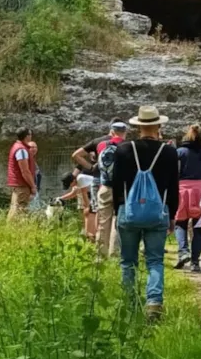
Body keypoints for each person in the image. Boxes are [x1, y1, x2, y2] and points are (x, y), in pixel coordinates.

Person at [110, 105, 180, 319]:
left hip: (128, 211)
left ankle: (129, 302)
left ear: (138, 126)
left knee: (128, 260)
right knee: (155, 260)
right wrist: (172, 215)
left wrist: (116, 211)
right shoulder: (169, 151)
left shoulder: (123, 149)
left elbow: (116, 183)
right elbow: (174, 188)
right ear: (158, 125)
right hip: (158, 212)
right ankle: (154, 303)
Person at [175, 124, 201, 271]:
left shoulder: (180, 152)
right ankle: (195, 262)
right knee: (198, 226)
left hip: (183, 188)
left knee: (180, 222)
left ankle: (183, 252)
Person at [94, 122, 127, 254]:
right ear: (125, 132)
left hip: (105, 187)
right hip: (122, 189)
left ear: (111, 132)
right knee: (118, 221)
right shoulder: (128, 146)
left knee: (103, 221)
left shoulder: (102, 145)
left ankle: (100, 254)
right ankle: (114, 253)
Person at [57, 169, 98, 240]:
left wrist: (88, 208)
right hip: (92, 196)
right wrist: (60, 198)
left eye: (69, 184)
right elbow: (73, 194)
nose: (70, 187)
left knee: (90, 217)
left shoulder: (80, 178)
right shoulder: (77, 182)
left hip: (97, 193)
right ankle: (90, 236)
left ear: (73, 180)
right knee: (87, 218)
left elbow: (84, 193)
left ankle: (92, 236)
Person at [6, 126, 36, 219]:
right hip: (22, 185)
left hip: (18, 184)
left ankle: (9, 229)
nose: (31, 136)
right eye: (30, 134)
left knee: (14, 208)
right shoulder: (22, 150)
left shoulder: (16, 146)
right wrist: (33, 186)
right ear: (27, 136)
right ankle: (18, 231)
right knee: (21, 209)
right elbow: (25, 171)